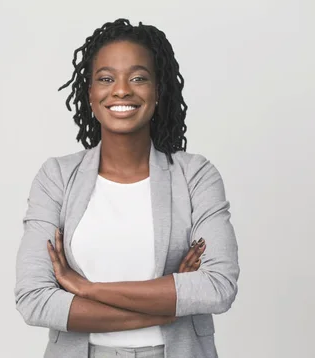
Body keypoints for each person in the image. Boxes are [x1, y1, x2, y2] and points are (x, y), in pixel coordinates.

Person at [14, 19, 240, 358]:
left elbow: (217, 287)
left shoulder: (195, 176)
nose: (121, 90)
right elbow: (34, 299)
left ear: (158, 91)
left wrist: (85, 289)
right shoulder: (56, 177)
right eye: (106, 78)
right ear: (90, 93)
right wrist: (168, 305)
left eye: (138, 78)